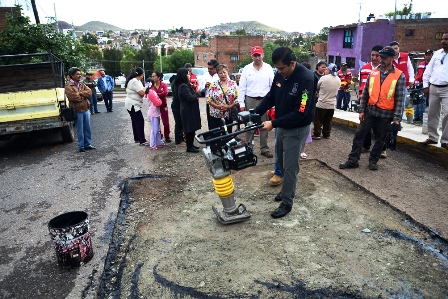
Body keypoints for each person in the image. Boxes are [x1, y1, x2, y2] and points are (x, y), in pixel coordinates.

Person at [254, 46, 315, 219]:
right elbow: (271, 96)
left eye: (281, 68)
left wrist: (272, 123)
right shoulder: (280, 75)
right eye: (277, 68)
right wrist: (256, 112)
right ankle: (286, 189)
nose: (279, 72)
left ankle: (287, 201)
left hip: (296, 128)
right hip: (281, 124)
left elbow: (300, 112)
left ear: (292, 63)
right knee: (280, 160)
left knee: (290, 166)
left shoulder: (306, 79)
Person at [339, 46, 406, 171]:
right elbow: (365, 93)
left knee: (381, 139)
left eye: (385, 58)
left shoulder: (399, 76)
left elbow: (400, 99)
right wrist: (361, 110)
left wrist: (396, 118)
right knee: (359, 135)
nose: (381, 60)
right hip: (370, 110)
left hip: (386, 114)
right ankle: (353, 160)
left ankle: (373, 161)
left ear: (392, 58)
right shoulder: (374, 72)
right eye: (381, 57)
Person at [237, 46, 274, 158]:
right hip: (250, 99)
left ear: (262, 55)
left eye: (259, 55)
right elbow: (242, 87)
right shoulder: (246, 69)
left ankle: (264, 148)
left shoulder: (268, 68)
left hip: (264, 100)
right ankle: (248, 148)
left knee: (264, 125)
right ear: (251, 56)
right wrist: (242, 104)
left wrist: (273, 103)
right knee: (249, 125)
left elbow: (273, 87)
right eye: (255, 55)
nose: (257, 57)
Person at [420, 33, 448, 150]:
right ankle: (432, 137)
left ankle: (445, 140)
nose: (443, 41)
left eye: (446, 39)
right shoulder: (437, 54)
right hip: (433, 87)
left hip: (447, 88)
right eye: (443, 39)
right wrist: (426, 86)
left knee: (447, 114)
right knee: (432, 112)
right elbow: (427, 71)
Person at [358, 44, 384, 154]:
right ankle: (366, 146)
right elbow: (361, 85)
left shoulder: (384, 70)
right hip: (365, 103)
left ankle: (382, 149)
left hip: (379, 104)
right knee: (365, 126)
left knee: (379, 128)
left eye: (377, 55)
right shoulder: (364, 68)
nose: (374, 58)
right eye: (372, 55)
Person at [65, 67, 95, 152]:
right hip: (77, 110)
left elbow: (89, 93)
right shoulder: (68, 86)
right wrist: (83, 96)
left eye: (80, 74)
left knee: (87, 128)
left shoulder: (82, 84)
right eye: (77, 74)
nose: (79, 75)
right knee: (80, 129)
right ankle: (81, 146)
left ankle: (88, 144)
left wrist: (80, 93)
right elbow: (73, 97)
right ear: (72, 75)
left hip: (86, 109)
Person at [175, 68, 202, 153]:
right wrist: (197, 93)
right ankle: (189, 147)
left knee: (192, 128)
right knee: (189, 128)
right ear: (183, 76)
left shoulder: (186, 85)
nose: (189, 75)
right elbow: (190, 98)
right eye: (187, 74)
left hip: (190, 109)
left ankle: (191, 145)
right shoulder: (183, 86)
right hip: (187, 110)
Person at [206, 64, 238, 132]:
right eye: (220, 73)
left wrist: (229, 107)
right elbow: (208, 99)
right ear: (217, 74)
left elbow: (237, 98)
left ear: (227, 73)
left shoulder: (233, 84)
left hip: (228, 114)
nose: (223, 74)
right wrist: (217, 106)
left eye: (224, 72)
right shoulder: (213, 85)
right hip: (215, 113)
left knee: (227, 133)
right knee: (216, 134)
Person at [312, 63, 341, 139]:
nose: (325, 70)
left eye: (327, 69)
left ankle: (317, 134)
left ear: (329, 70)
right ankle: (326, 134)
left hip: (322, 103)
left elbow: (317, 87)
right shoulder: (338, 79)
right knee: (328, 120)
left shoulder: (323, 78)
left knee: (318, 119)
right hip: (332, 104)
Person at [124, 67, 148, 146]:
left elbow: (141, 89)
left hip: (132, 104)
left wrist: (145, 89)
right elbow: (141, 93)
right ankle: (142, 140)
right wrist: (148, 90)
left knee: (135, 121)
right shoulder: (134, 81)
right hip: (133, 105)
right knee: (140, 121)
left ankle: (137, 138)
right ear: (141, 74)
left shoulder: (136, 81)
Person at [145, 78, 167, 150]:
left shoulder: (151, 91)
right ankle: (152, 144)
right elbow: (157, 102)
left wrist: (159, 100)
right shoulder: (151, 92)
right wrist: (160, 101)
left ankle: (158, 142)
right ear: (153, 84)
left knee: (157, 129)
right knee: (154, 129)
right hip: (153, 112)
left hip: (155, 112)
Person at [413, 49, 433, 122]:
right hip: (418, 84)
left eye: (429, 55)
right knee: (416, 100)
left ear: (432, 56)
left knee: (422, 101)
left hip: (426, 85)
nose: (427, 56)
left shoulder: (432, 65)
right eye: (426, 55)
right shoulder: (421, 63)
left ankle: (421, 116)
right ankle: (416, 116)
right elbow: (418, 73)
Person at [152, 71, 171, 143]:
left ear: (158, 77)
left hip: (163, 106)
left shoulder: (163, 85)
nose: (152, 78)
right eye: (152, 76)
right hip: (155, 106)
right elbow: (148, 93)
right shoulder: (151, 85)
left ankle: (167, 135)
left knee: (165, 122)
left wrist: (155, 94)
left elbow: (165, 93)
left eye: (154, 76)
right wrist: (159, 94)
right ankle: (159, 135)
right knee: (156, 122)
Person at [200, 59, 219, 130]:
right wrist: (205, 86)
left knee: (220, 121)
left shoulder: (221, 75)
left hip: (220, 102)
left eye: (211, 69)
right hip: (210, 103)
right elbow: (200, 88)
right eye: (208, 68)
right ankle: (213, 137)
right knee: (211, 121)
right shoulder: (205, 76)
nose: (209, 70)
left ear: (216, 68)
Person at [170, 72, 185, 146]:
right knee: (179, 123)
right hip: (177, 105)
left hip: (176, 105)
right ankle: (178, 141)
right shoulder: (177, 84)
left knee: (180, 123)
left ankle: (181, 139)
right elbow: (178, 96)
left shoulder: (174, 81)